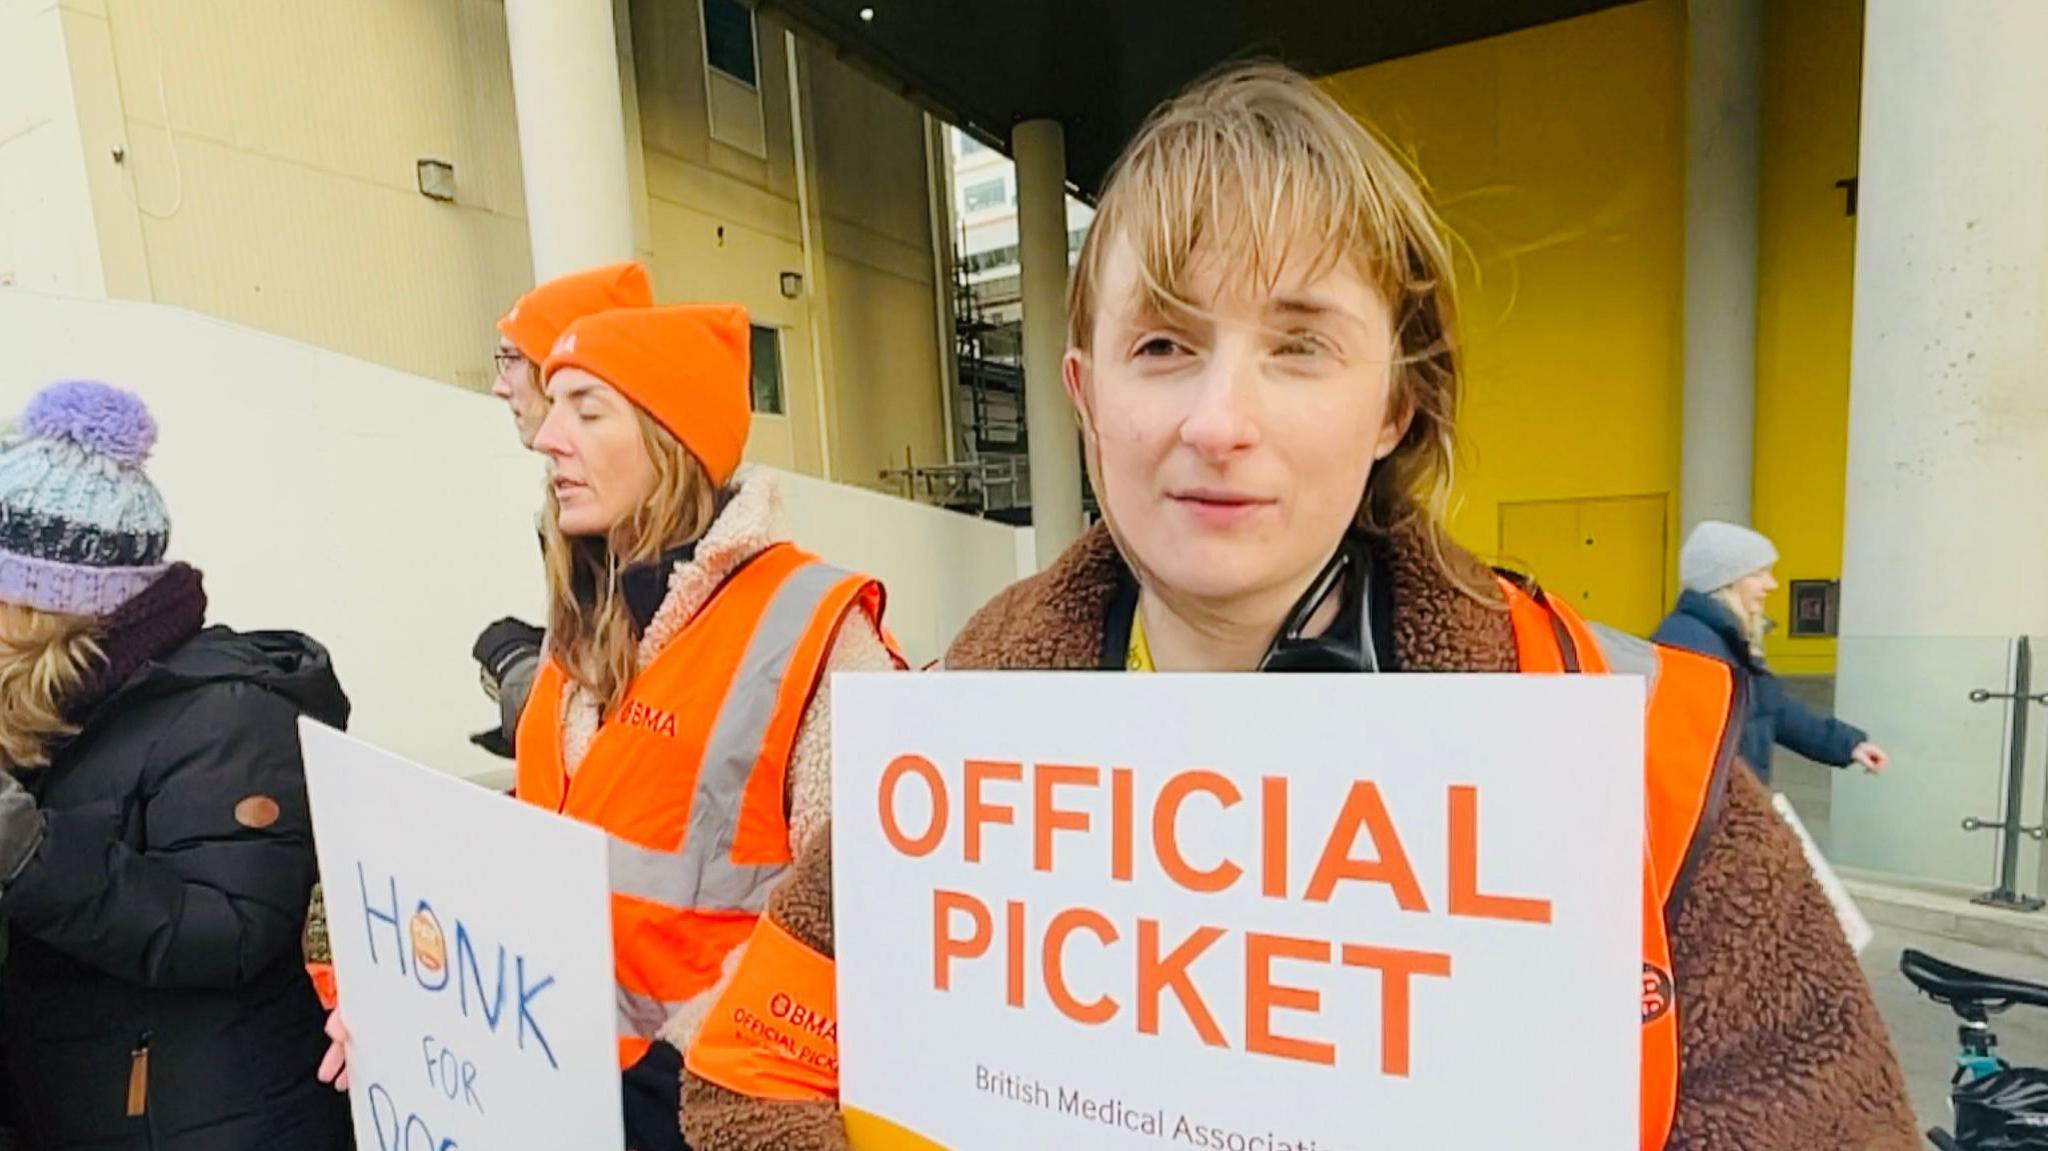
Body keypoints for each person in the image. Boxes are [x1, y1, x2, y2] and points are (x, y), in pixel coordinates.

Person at [676, 63, 1918, 1151]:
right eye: (1160, 345)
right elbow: (750, 1073)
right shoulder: (955, 742)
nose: (1217, 421)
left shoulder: (1633, 751)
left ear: (1394, 402)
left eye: (1298, 344)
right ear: (1082, 392)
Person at [325, 304, 903, 1151]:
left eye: (588, 410)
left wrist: (681, 1075)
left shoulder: (814, 631)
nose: (549, 437)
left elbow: (870, 912)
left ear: (673, 440)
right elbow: (509, 876)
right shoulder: (577, 646)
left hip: (704, 1114)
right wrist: (405, 1002)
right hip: (561, 1098)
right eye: (551, 405)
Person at [0, 381, 352, 1149]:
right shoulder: (49, 709)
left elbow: (226, 927)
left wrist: (22, 847)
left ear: (45, 605)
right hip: (76, 1105)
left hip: (209, 1124)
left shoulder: (229, 712)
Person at [470, 260, 656, 759]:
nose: (499, 384)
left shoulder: (652, 538)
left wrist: (524, 680)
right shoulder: (571, 520)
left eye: (512, 358)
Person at [1653, 520, 1889, 786]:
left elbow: (1773, 709)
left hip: (1732, 806)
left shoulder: (1725, 639)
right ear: (1725, 581)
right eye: (1758, 573)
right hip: (1713, 813)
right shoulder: (1691, 646)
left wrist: (1847, 745)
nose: (1771, 584)